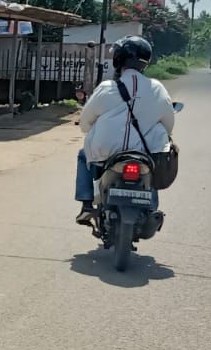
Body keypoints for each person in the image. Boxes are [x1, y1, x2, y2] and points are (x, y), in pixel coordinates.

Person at [75, 36, 177, 225]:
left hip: (106, 152)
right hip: (144, 153)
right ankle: (151, 207)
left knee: (83, 155)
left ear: (118, 60)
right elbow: (168, 125)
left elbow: (85, 123)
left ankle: (87, 204)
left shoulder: (106, 88)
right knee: (154, 164)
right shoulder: (158, 89)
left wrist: (93, 130)